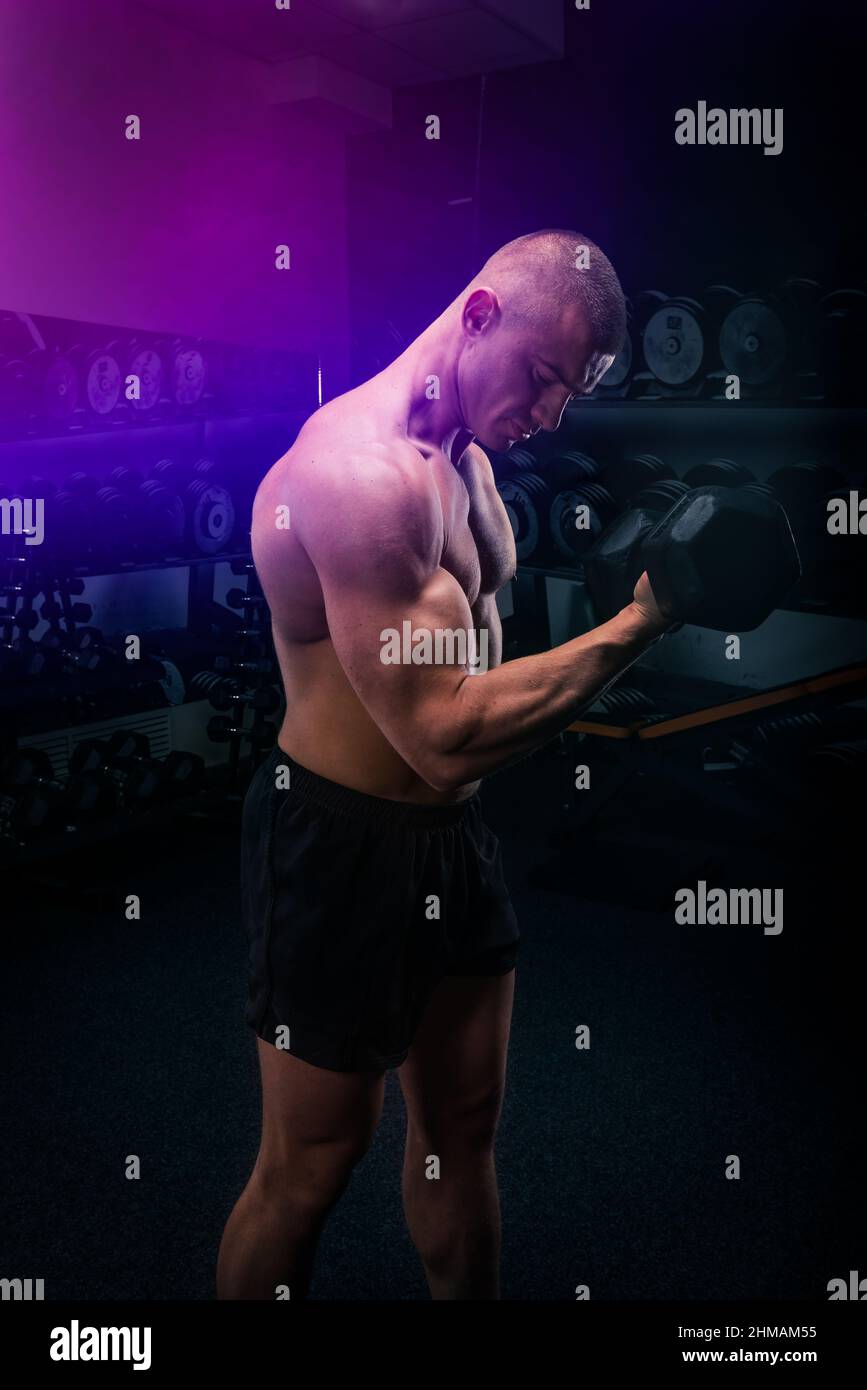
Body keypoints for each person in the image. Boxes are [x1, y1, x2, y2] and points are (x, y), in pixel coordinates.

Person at [216, 229, 670, 1300]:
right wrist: (636, 628)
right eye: (546, 378)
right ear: (477, 318)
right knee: (310, 1167)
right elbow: (437, 727)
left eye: (573, 393)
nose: (552, 416)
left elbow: (480, 686)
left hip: (453, 844)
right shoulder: (354, 477)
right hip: (334, 845)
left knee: (462, 1132)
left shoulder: (469, 464)